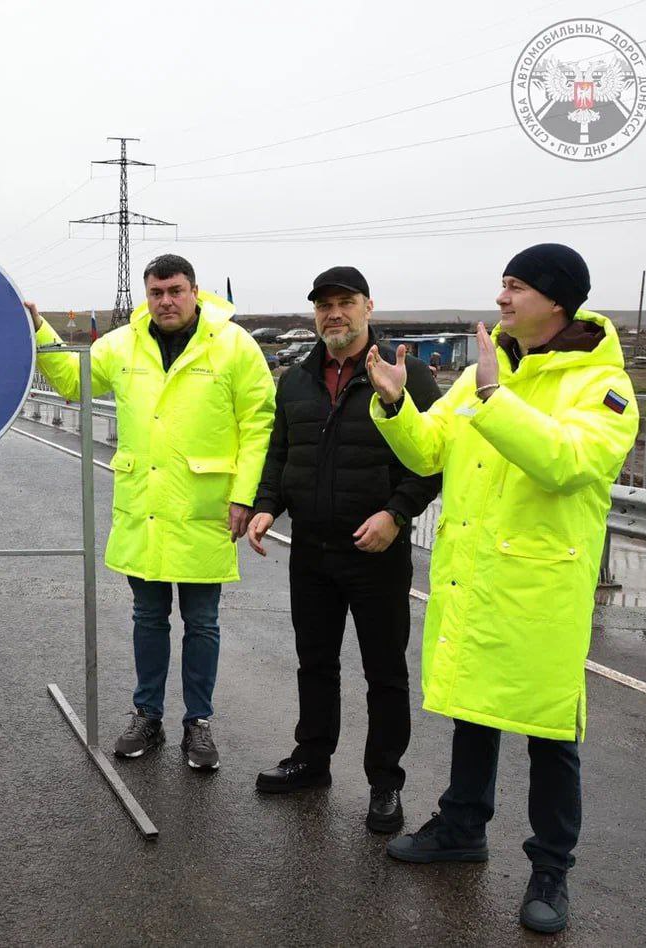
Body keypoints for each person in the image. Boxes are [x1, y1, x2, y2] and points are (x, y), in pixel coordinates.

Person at [365, 244, 639, 934]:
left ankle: (551, 867)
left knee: (549, 730)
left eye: (514, 287)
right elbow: (431, 449)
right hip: (476, 575)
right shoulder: (492, 369)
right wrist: (396, 404)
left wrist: (493, 396)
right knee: (475, 709)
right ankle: (461, 825)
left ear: (555, 298)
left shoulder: (601, 385)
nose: (501, 298)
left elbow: (569, 461)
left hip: (540, 587)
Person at [27, 254, 275, 770]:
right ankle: (148, 716)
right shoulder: (121, 345)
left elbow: (259, 424)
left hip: (204, 508)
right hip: (145, 506)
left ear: (195, 291)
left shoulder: (233, 346)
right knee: (147, 618)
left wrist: (245, 495)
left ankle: (198, 723)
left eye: (175, 291)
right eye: (157, 292)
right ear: (147, 294)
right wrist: (39, 330)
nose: (166, 301)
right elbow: (75, 383)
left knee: (202, 622)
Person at [247, 266, 441, 833]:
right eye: (324, 305)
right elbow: (282, 454)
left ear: (368, 307)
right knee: (315, 662)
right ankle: (312, 759)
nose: (334, 313)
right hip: (311, 549)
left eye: (345, 302)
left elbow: (431, 459)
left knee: (384, 672)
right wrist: (267, 506)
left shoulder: (408, 376)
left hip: (375, 553)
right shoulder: (297, 380)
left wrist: (396, 514)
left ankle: (385, 782)